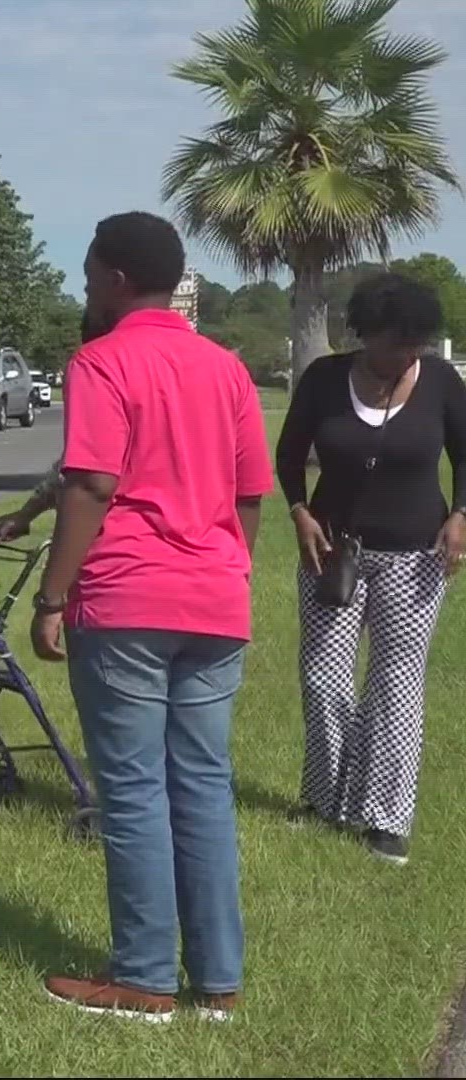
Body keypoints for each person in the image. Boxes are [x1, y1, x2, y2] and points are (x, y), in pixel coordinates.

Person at [30, 211, 270, 1021]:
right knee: (202, 786)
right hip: (215, 595)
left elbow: (91, 486)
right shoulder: (227, 368)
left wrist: (51, 596)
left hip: (130, 596)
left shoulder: (100, 362)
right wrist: (232, 565)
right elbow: (248, 493)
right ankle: (220, 984)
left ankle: (142, 978)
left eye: (91, 270)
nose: (86, 284)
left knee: (132, 792)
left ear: (118, 278)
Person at [275, 272, 466, 865]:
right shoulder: (326, 379)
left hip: (416, 557)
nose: (409, 354)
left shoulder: (439, 380)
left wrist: (460, 514)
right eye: (397, 343)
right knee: (324, 678)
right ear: (365, 335)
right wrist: (301, 512)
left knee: (396, 686)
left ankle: (386, 817)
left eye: (417, 343)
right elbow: (288, 454)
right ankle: (326, 799)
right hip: (332, 552)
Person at [0, 311, 108, 542]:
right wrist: (26, 514)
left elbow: (87, 479)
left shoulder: (97, 370)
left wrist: (57, 577)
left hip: (119, 552)